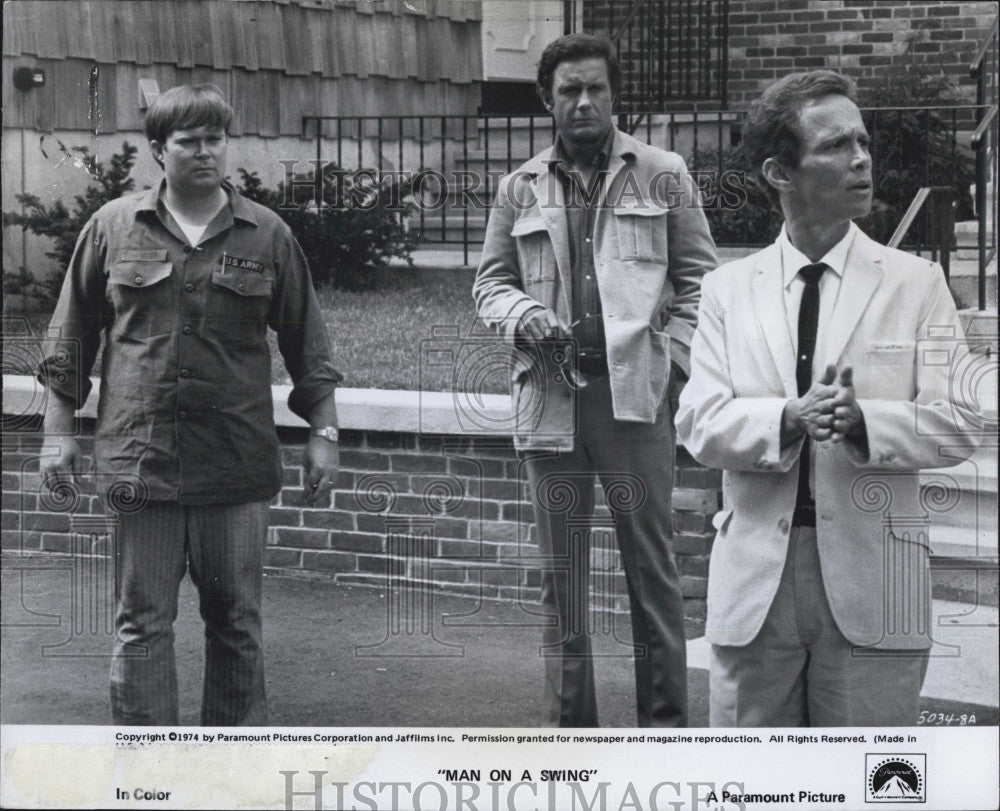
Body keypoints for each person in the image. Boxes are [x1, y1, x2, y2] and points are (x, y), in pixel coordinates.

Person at [676, 70, 981, 726]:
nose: (862, 158)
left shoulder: (917, 284)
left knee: (870, 784)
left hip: (878, 580)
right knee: (753, 789)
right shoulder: (730, 290)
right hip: (757, 582)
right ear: (780, 172)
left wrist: (866, 421)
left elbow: (959, 420)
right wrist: (786, 418)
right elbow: (698, 422)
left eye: (864, 141)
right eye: (836, 145)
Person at [37, 84, 343, 725]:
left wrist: (325, 430)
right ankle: (151, 773)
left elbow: (306, 340)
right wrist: (57, 432)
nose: (205, 152)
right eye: (189, 141)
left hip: (234, 465)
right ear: (158, 150)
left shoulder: (268, 235)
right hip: (139, 464)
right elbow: (70, 337)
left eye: (215, 139)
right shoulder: (113, 228)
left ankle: (231, 776)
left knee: (236, 623)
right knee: (141, 622)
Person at [473, 34, 717, 727]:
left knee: (652, 576)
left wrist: (672, 359)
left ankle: (664, 730)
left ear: (615, 95)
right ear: (546, 98)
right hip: (549, 402)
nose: (584, 102)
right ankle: (571, 736)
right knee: (562, 582)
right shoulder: (519, 186)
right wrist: (524, 314)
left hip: (634, 404)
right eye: (570, 90)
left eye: (597, 89)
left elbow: (701, 281)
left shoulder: (663, 172)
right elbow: (491, 283)